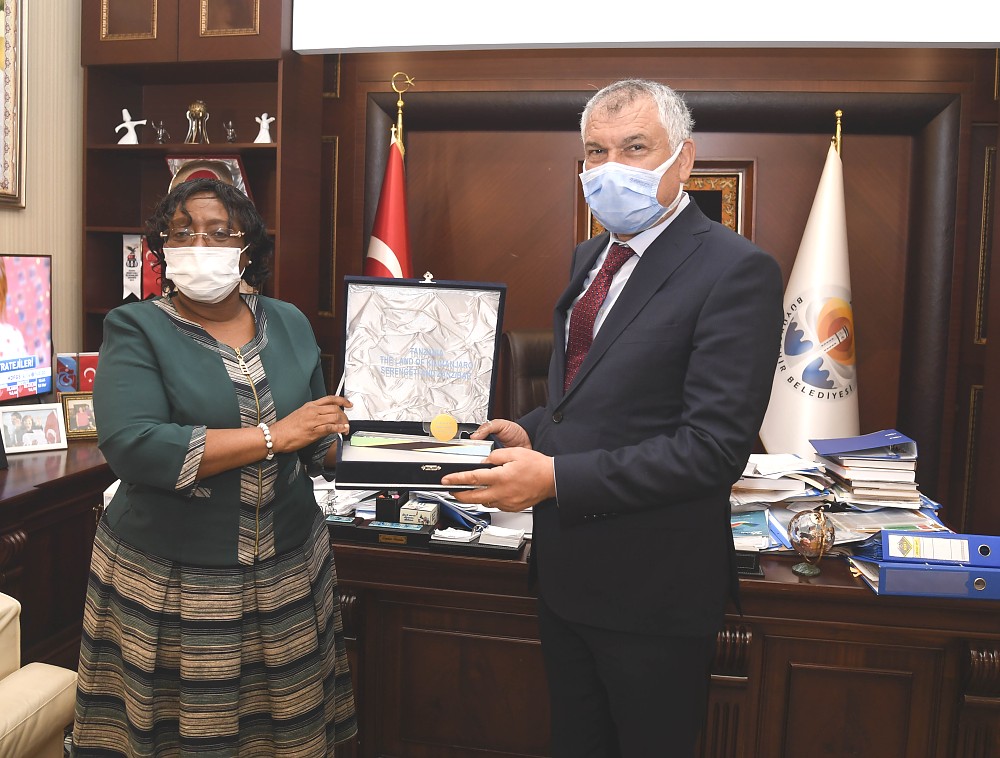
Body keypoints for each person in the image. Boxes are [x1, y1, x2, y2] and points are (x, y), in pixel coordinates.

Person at [442, 79, 784, 757]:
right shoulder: (590, 256)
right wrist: (532, 429)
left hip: (653, 593)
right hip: (567, 577)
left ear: (683, 160)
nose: (610, 168)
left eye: (635, 148)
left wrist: (555, 479)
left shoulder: (736, 271)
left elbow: (713, 448)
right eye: (595, 151)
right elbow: (590, 390)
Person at [73, 177, 358, 756]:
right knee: (182, 737)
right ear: (163, 247)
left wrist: (396, 442)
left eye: (219, 231)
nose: (200, 243)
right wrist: (274, 435)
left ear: (247, 247)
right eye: (184, 232)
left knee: (285, 732)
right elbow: (135, 444)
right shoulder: (135, 328)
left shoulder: (291, 322)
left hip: (287, 573)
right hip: (174, 584)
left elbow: (313, 438)